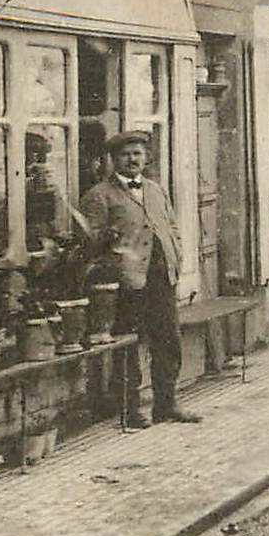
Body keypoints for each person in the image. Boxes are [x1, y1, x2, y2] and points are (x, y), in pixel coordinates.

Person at [80, 130, 200, 427]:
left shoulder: (156, 190)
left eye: (137, 154)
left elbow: (171, 226)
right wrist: (111, 249)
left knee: (168, 342)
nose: (132, 160)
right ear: (113, 160)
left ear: (146, 158)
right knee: (128, 346)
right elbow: (89, 242)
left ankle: (166, 404)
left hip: (162, 277)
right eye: (125, 155)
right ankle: (130, 410)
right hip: (126, 282)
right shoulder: (99, 196)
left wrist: (176, 256)